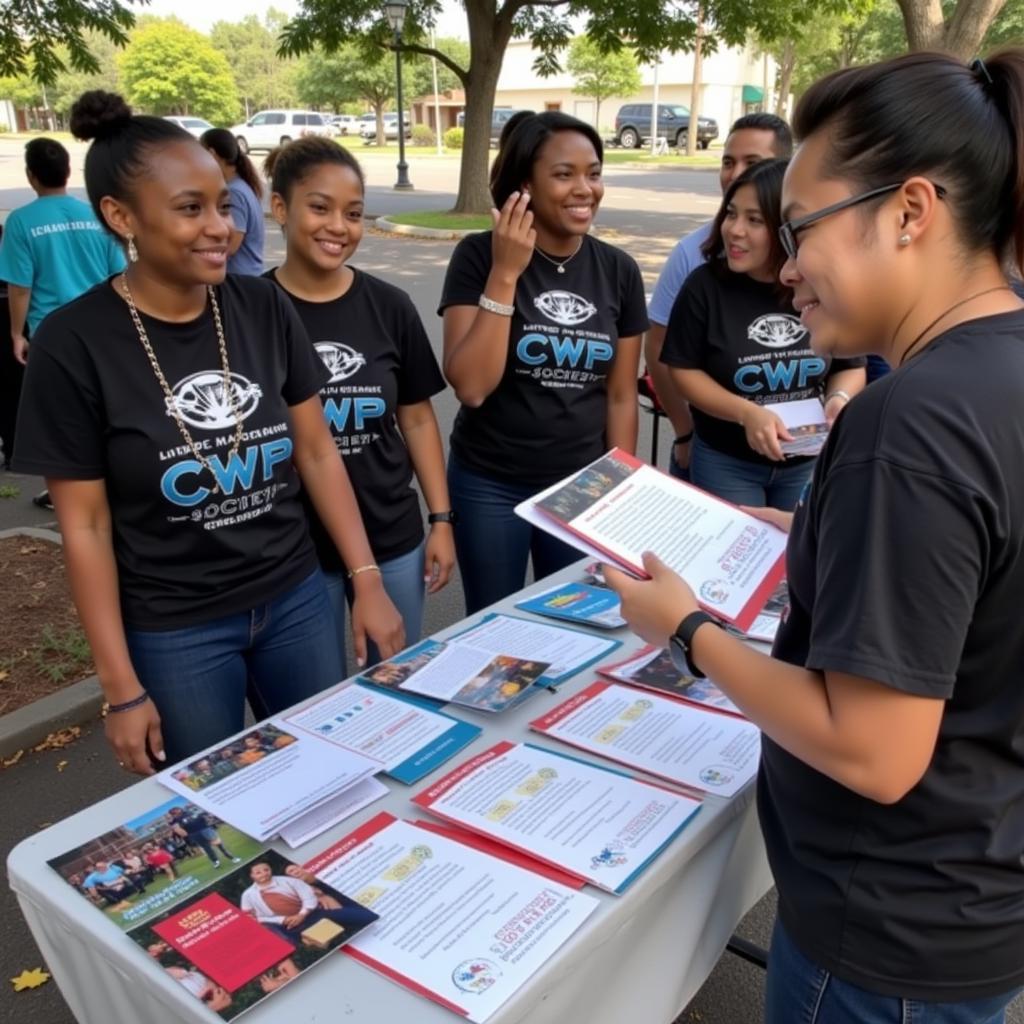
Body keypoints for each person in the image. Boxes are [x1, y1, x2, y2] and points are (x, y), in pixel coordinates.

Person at [607, 48, 1024, 1024]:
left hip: (884, 931)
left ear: (909, 211)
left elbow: (875, 749)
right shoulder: (999, 368)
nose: (785, 266)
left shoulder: (906, 421)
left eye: (800, 229)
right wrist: (809, 528)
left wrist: (687, 629)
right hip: (976, 885)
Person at [11, 91, 404, 774]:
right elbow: (86, 527)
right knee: (212, 804)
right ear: (120, 216)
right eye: (190, 209)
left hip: (296, 599)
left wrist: (366, 578)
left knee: (327, 770)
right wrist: (120, 688)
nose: (220, 226)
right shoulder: (72, 344)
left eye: (223, 204)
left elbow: (315, 450)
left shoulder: (260, 305)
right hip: (177, 629)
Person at [440, 111, 648, 614]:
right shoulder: (478, 257)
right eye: (564, 174)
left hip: (582, 487)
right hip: (490, 482)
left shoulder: (618, 270)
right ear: (523, 184)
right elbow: (471, 385)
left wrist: (618, 491)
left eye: (593, 173)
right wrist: (506, 273)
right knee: (494, 623)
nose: (585, 189)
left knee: (580, 621)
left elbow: (621, 394)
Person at [264, 137, 454, 668]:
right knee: (318, 696)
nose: (338, 227)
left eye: (353, 214)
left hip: (391, 532)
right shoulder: (249, 313)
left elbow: (416, 419)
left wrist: (441, 519)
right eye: (319, 208)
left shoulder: (389, 306)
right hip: (296, 550)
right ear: (280, 208)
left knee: (393, 680)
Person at [661, 158, 866, 509]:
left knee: (793, 559)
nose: (735, 230)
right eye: (731, 214)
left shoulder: (818, 284)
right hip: (727, 463)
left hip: (806, 462)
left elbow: (850, 364)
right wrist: (746, 413)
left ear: (787, 228)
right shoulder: (705, 286)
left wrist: (838, 401)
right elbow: (682, 370)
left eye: (754, 220)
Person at [646, 114, 793, 480]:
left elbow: (849, 362)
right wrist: (684, 430)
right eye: (728, 161)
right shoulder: (691, 257)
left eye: (751, 163)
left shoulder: (810, 268)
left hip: (796, 457)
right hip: (715, 450)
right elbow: (661, 353)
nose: (734, 174)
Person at [0, 138, 124, 503]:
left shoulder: (22, 222)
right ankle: (114, 481)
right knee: (109, 407)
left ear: (31, 175)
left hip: (52, 335)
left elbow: (20, 287)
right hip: (105, 328)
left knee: (67, 417)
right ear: (68, 172)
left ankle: (71, 492)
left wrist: (15, 333)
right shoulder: (96, 216)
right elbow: (119, 273)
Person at [240, 861, 377, 948]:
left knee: (365, 917)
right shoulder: (248, 895)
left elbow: (308, 897)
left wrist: (302, 914)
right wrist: (282, 920)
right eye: (258, 872)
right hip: (291, 926)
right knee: (318, 943)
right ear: (252, 876)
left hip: (315, 913)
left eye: (266, 869)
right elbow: (253, 918)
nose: (264, 873)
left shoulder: (287, 881)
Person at [200, 128, 266, 276]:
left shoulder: (234, 192)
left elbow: (231, 246)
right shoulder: (241, 186)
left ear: (211, 153)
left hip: (241, 279)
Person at [167, 805, 241, 868]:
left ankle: (232, 857)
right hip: (194, 834)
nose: (176, 812)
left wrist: (208, 818)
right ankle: (215, 861)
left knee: (219, 844)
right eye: (174, 812)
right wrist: (171, 820)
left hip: (205, 829)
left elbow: (204, 815)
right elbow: (172, 825)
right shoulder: (176, 820)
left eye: (176, 810)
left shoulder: (189, 811)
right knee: (207, 848)